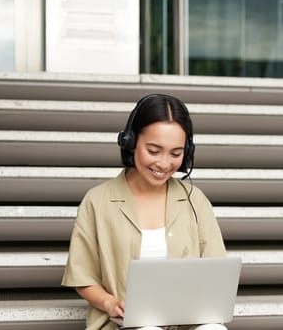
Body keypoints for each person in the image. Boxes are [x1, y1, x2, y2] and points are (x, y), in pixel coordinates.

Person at [62, 94, 228, 330]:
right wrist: (111, 303)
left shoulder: (196, 200)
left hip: (186, 322)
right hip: (122, 324)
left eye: (175, 153)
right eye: (153, 150)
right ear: (131, 142)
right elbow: (83, 277)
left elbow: (216, 271)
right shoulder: (98, 201)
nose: (164, 163)